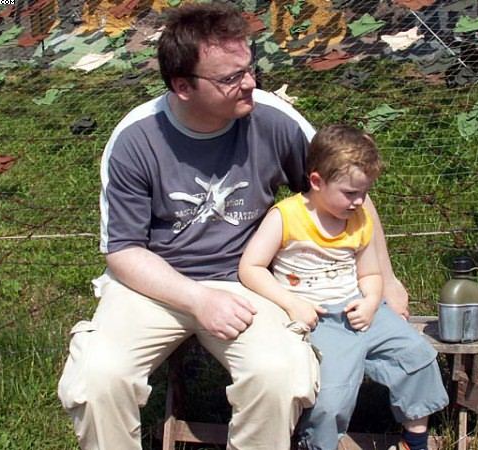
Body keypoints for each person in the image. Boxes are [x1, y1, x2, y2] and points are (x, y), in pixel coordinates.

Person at [56, 3, 408, 450]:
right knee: (97, 378)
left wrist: (386, 280)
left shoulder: (271, 118)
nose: (250, 83)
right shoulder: (136, 139)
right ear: (183, 86)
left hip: (248, 280)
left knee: (281, 375)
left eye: (249, 68)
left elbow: (349, 190)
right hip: (153, 285)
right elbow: (123, 251)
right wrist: (198, 299)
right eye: (230, 78)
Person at [239, 125, 449, 450]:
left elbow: (370, 273)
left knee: (418, 357)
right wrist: (291, 303)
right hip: (318, 319)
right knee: (332, 395)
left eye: (364, 192)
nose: (359, 201)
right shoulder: (286, 217)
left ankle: (414, 442)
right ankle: (318, 444)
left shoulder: (359, 218)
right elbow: (250, 268)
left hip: (362, 308)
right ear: (317, 181)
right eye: (350, 193)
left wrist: (372, 300)